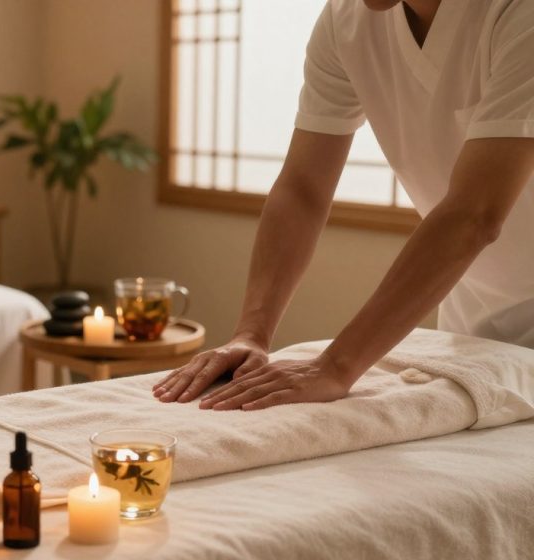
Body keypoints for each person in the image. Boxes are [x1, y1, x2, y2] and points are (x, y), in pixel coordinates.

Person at [155, 0, 534, 409]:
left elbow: (474, 214)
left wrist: (336, 366)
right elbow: (303, 188)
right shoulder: (346, 19)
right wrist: (252, 333)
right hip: (472, 326)